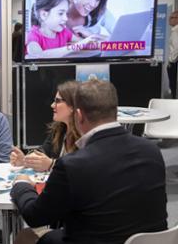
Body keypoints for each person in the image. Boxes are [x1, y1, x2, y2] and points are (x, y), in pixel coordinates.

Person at [11, 80, 167, 244]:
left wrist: (22, 185)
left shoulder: (73, 165)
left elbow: (35, 216)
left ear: (78, 115)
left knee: (26, 237)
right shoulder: (152, 151)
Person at [10, 81, 80, 172]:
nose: (52, 105)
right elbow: (42, 151)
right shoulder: (59, 129)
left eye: (57, 101)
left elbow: (83, 168)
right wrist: (25, 160)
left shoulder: (86, 135)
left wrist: (52, 164)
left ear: (72, 106)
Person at [26, 0, 102, 58]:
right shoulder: (33, 35)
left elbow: (90, 45)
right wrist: (77, 45)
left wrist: (91, 36)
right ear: (44, 15)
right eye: (60, 13)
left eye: (66, 13)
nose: (66, 18)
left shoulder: (64, 32)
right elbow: (38, 55)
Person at [167, 10, 178, 99]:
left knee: (173, 85)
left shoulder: (176, 31)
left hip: (174, 64)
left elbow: (176, 48)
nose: (169, 20)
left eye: (171, 18)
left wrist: (171, 61)